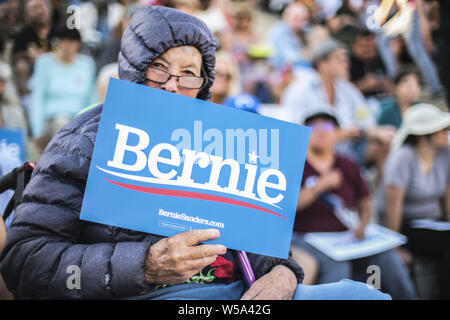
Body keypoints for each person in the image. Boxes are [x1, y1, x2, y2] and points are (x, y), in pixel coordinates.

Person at [0, 6, 390, 300]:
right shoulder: (84, 140)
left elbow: (266, 243)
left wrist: (285, 274)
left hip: (238, 292)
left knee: (366, 294)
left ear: (204, 82)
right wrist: (146, 266)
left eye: (190, 72)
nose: (173, 85)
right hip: (145, 292)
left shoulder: (222, 138)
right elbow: (24, 261)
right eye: (158, 68)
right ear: (133, 69)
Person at [290, 109, 418, 300]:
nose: (320, 131)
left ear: (337, 132)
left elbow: (365, 201)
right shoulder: (294, 164)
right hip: (307, 238)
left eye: (326, 126)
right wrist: (321, 185)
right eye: (312, 126)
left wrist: (363, 224)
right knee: (337, 266)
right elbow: (290, 205)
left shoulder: (348, 164)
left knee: (388, 259)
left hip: (347, 237)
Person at [281, 38, 395, 164]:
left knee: (383, 144)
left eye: (345, 59)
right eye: (338, 59)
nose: (345, 64)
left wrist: (376, 132)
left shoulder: (347, 89)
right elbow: (291, 131)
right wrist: (335, 135)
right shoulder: (300, 88)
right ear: (322, 64)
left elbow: (365, 119)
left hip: (347, 150)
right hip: (310, 153)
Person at [380, 103, 450, 299]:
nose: (447, 132)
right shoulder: (403, 157)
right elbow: (393, 206)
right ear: (424, 134)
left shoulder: (445, 154)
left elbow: (447, 199)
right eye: (442, 129)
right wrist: (395, 247)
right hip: (406, 228)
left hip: (436, 225)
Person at [29, 26, 97, 153]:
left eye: (72, 42)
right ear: (59, 42)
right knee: (62, 122)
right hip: (51, 120)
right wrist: (37, 131)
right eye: (65, 42)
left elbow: (92, 98)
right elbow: (37, 98)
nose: (68, 46)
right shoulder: (45, 62)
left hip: (79, 121)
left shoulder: (87, 64)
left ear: (78, 45)